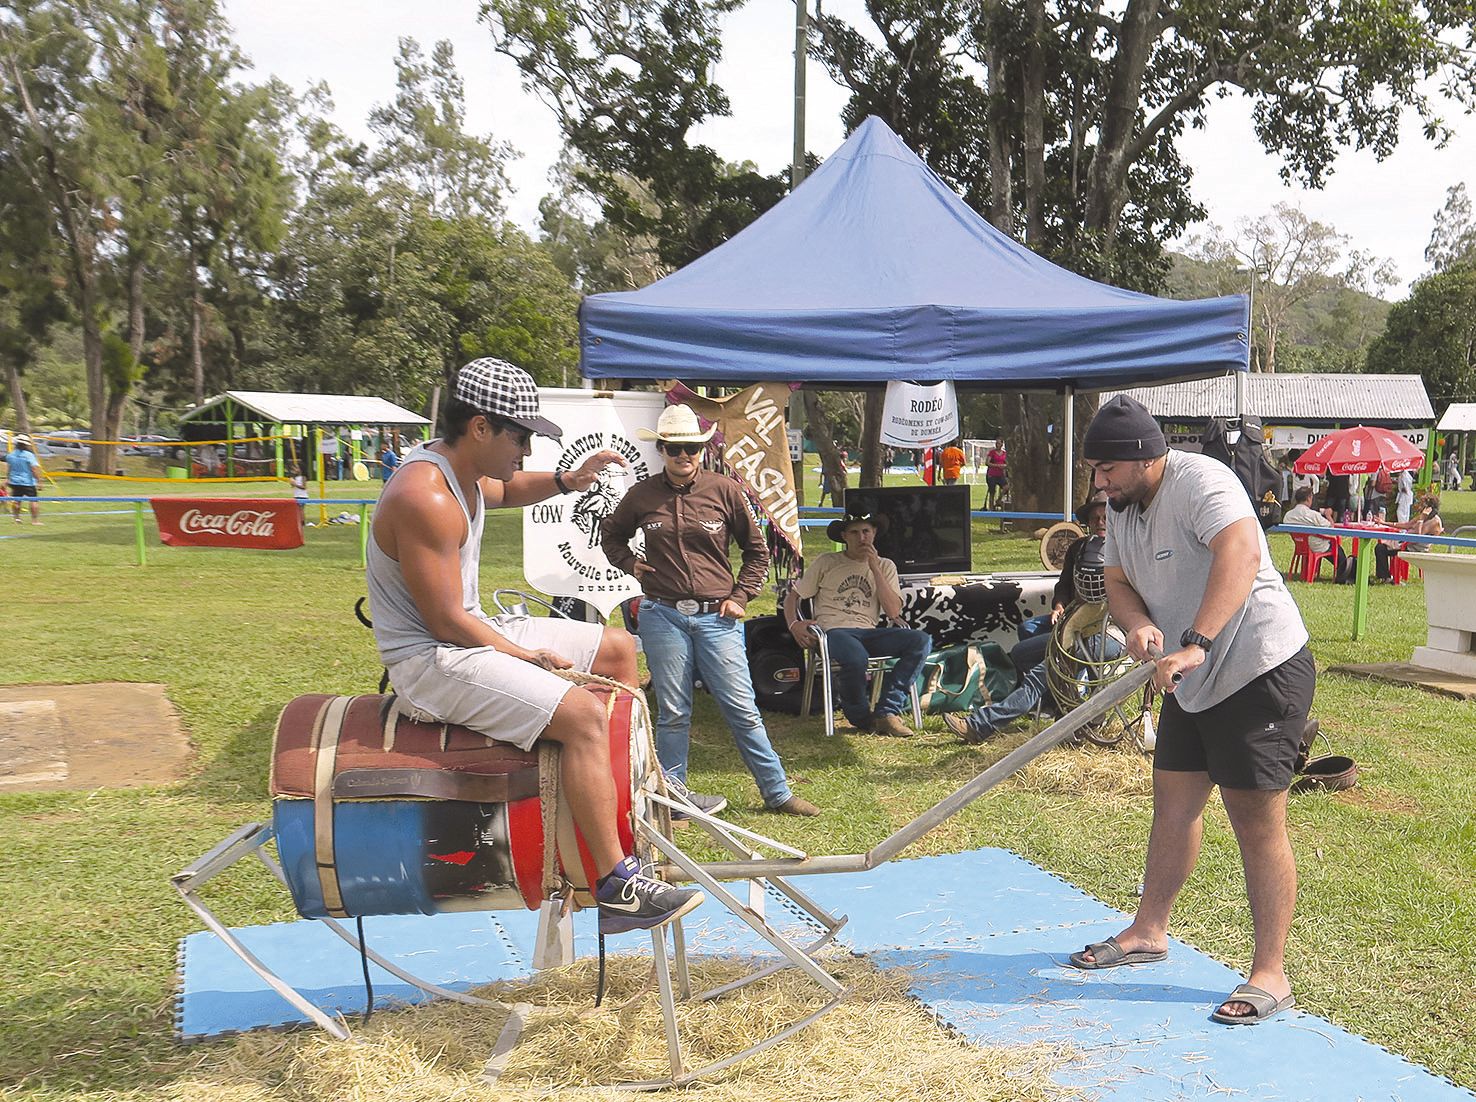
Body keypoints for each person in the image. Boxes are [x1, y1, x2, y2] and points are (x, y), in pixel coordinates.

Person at [367, 357, 703, 935]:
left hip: (463, 632)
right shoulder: (425, 497)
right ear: (480, 427)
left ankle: (641, 791)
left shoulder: (459, 470)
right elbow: (445, 622)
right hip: (431, 659)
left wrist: (565, 482)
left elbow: (499, 490)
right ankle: (615, 884)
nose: (526, 451)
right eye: (520, 437)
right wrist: (521, 657)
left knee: (618, 649)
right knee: (581, 718)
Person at [1066, 395, 1315, 1028]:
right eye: (1094, 470)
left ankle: (1271, 974)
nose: (1099, 483)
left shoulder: (1203, 481)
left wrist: (1196, 641)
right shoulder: (1123, 508)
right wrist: (1142, 626)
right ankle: (1149, 931)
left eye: (1107, 469)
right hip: (1189, 674)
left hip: (1258, 666)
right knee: (1174, 806)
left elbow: (1242, 555)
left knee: (1254, 821)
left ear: (1145, 457)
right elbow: (1119, 583)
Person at [601, 404, 819, 817]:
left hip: (717, 618)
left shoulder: (724, 490)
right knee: (673, 712)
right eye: (673, 448)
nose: (683, 456)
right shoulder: (642, 495)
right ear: (661, 450)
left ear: (702, 450)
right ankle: (673, 801)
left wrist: (740, 596)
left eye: (691, 448)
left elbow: (757, 551)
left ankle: (777, 792)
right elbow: (610, 535)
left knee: (741, 708)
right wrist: (630, 564)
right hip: (662, 614)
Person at [944, 490, 1112, 742]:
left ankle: (982, 725)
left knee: (1042, 673)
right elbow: (1064, 585)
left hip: (1107, 632)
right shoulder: (1079, 548)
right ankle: (1059, 704)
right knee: (1023, 650)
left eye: (1106, 517)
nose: (1100, 522)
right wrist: (1059, 606)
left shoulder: (1126, 553)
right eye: (1095, 517)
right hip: (1075, 623)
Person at [782, 513, 933, 737]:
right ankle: (862, 718)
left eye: (866, 532)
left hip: (869, 633)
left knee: (921, 641)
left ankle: (887, 712)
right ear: (844, 536)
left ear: (874, 534)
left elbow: (893, 612)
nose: (861, 538)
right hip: (834, 631)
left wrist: (874, 567)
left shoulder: (885, 566)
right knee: (855, 656)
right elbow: (792, 597)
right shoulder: (828, 562)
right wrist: (794, 624)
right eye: (854, 532)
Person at [1283, 486, 1351, 583]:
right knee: (1338, 549)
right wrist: (1328, 515)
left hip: (1300, 545)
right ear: (1309, 498)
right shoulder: (1312, 515)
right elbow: (1331, 528)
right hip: (1317, 545)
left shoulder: (1288, 515)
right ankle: (1343, 574)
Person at [1376, 493, 1443, 580]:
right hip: (1407, 543)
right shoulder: (1423, 516)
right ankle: (1382, 576)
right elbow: (1407, 525)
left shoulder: (1434, 521)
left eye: (1422, 504)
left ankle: (1385, 577)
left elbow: (1418, 537)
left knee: (1381, 549)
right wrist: (1384, 523)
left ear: (1429, 508)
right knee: (1381, 546)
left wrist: (1421, 520)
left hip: (1416, 548)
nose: (1419, 507)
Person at [3, 433, 42, 524]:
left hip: (15, 481)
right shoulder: (29, 455)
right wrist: (39, 481)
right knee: (33, 501)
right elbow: (34, 469)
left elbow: (9, 469)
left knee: (16, 501)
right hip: (28, 482)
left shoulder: (11, 455)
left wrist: (7, 479)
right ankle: (34, 521)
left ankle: (17, 519)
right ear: (26, 445)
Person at [985, 442, 1009, 509]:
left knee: (1006, 487)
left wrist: (1005, 466)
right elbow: (987, 463)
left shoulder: (1004, 453)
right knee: (992, 492)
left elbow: (1007, 463)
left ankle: (999, 500)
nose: (997, 445)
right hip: (992, 474)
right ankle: (991, 508)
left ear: (1001, 444)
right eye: (996, 443)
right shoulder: (992, 452)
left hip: (1000, 475)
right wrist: (997, 465)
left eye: (998, 443)